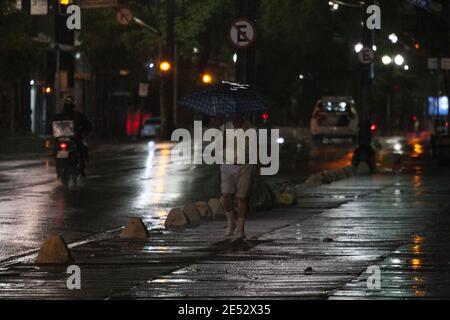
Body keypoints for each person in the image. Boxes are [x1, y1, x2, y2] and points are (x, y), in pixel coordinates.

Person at [219, 113, 258, 239]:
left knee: (242, 197)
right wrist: (223, 140)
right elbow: (218, 148)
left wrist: (258, 166)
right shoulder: (224, 128)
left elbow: (255, 149)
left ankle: (241, 229)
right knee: (226, 195)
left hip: (245, 165)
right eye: (234, 116)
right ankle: (231, 223)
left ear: (243, 116)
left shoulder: (252, 129)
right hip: (228, 165)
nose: (236, 119)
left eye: (239, 115)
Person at [53, 96, 93, 177]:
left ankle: (80, 168)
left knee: (82, 148)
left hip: (66, 138)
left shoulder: (59, 115)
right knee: (83, 149)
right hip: (69, 138)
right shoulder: (76, 115)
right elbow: (88, 126)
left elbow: (88, 126)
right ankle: (81, 169)